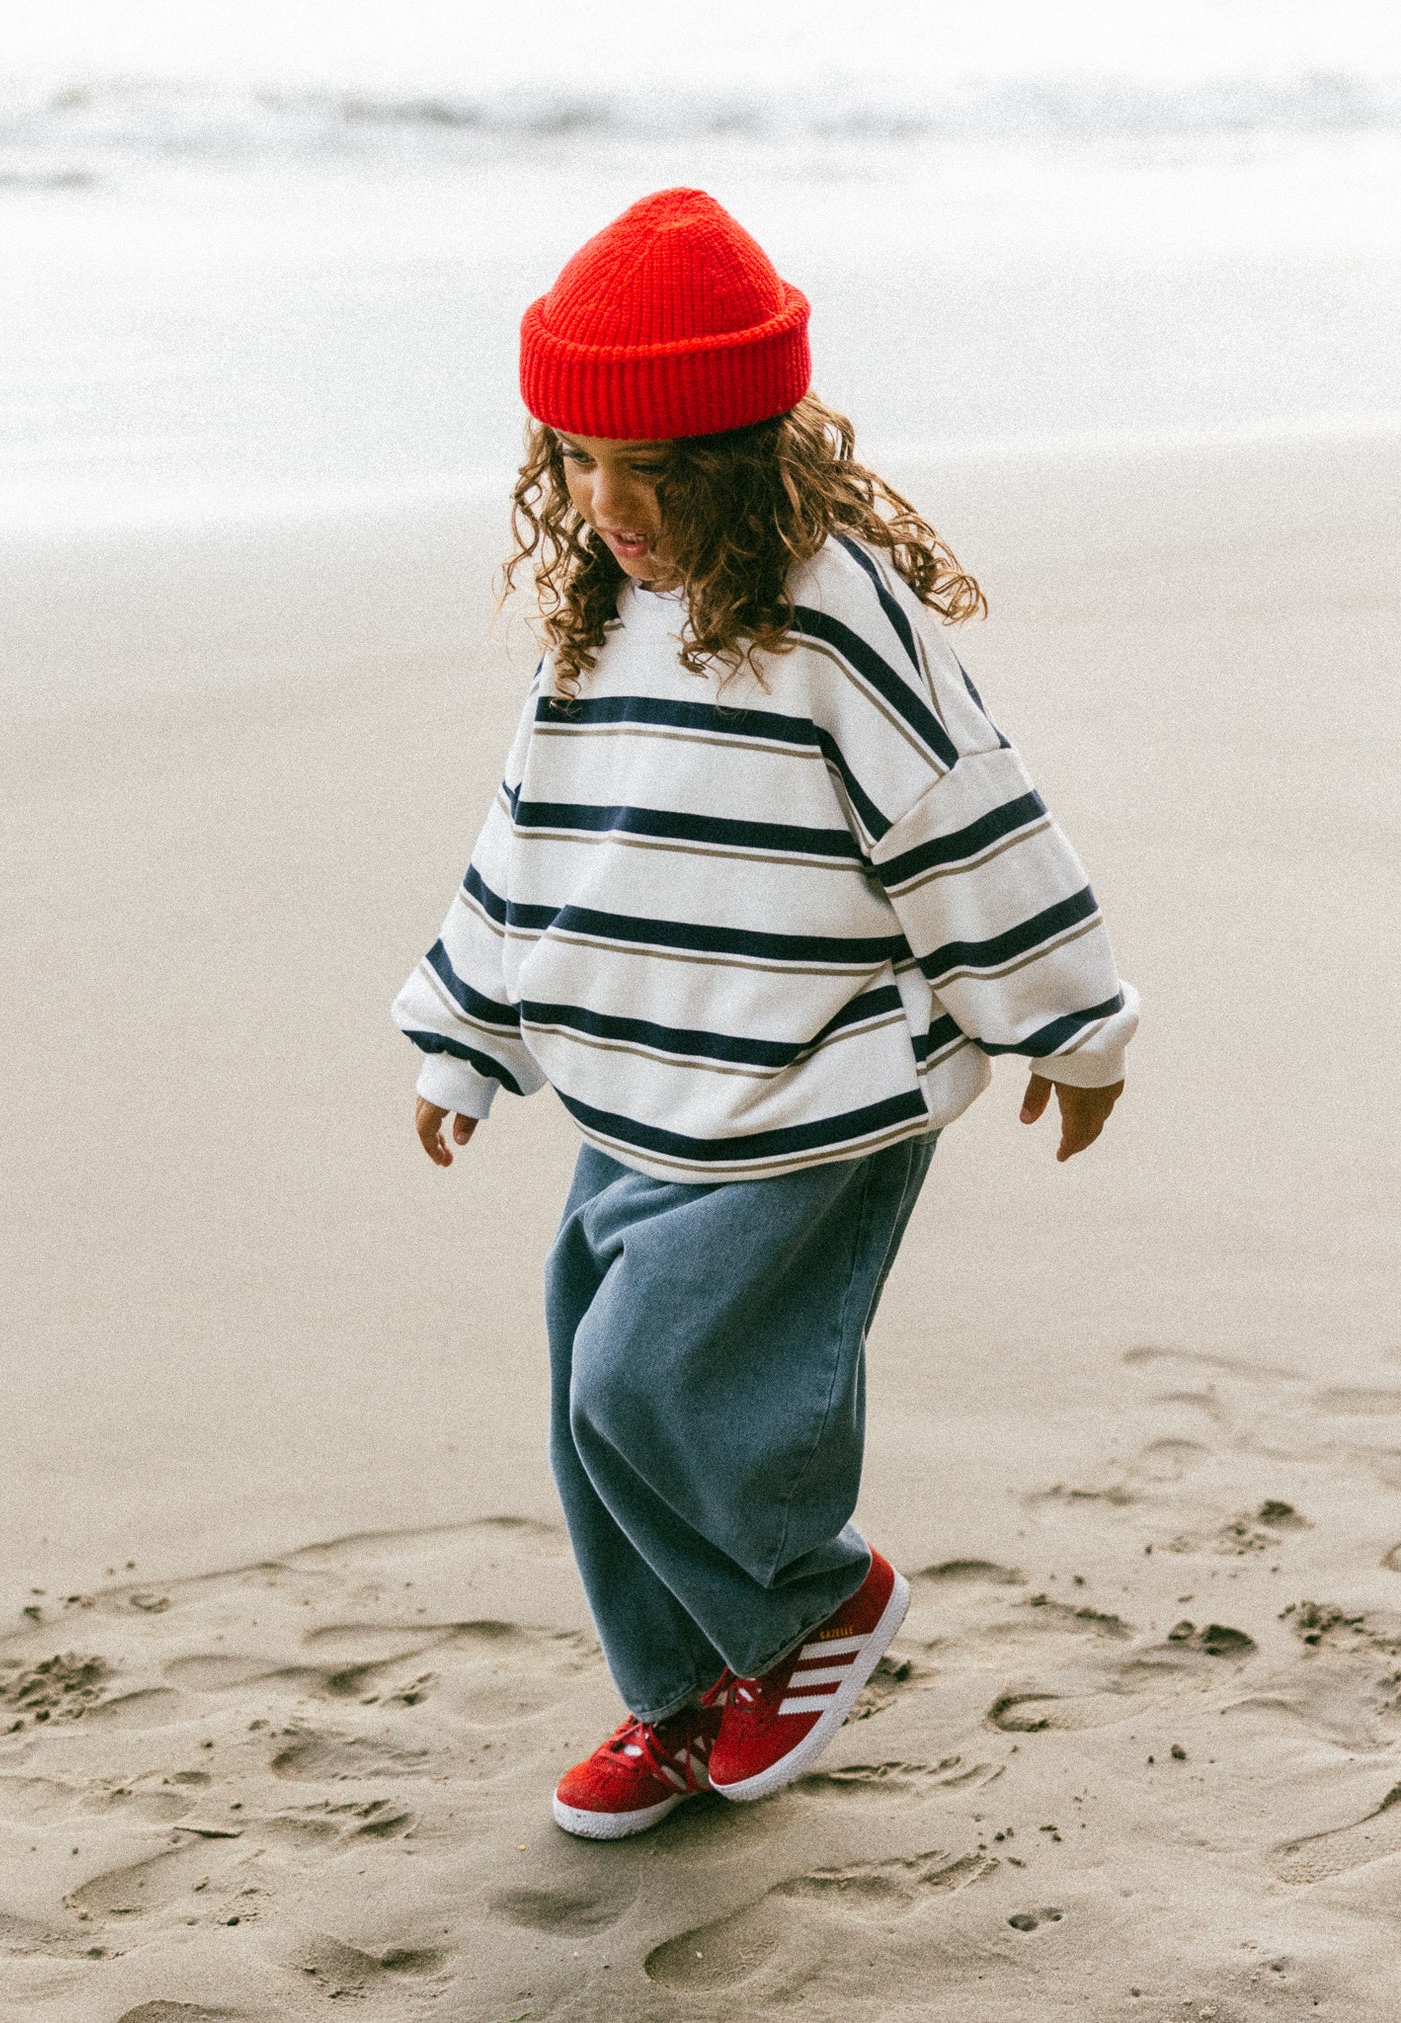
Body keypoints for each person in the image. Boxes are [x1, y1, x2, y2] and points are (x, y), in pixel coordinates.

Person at [392, 187, 1136, 1840]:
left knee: (651, 1382)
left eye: (651, 474)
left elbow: (967, 823)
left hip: (813, 1099)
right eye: (576, 463)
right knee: (588, 1401)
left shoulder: (831, 615)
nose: (608, 506)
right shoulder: (599, 621)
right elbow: (528, 838)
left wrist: (1062, 1024)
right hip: (638, 1087)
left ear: (745, 456)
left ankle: (810, 1601)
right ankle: (676, 1698)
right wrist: (463, 1031)